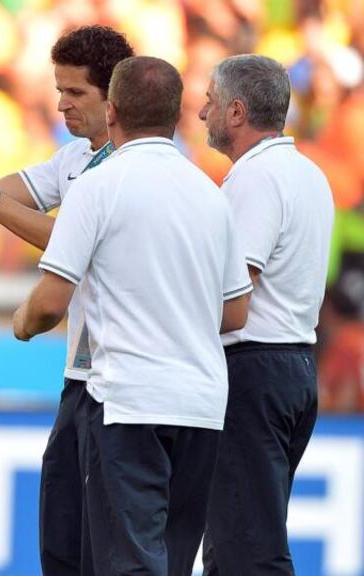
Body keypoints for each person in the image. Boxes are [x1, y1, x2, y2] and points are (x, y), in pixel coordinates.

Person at [0, 25, 133, 574]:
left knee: (113, 549)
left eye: (76, 93)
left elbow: (70, 242)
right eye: (58, 90)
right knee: (62, 537)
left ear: (115, 98)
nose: (61, 105)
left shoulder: (133, 171)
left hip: (125, 385)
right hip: (82, 379)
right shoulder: (76, 160)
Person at [19, 56, 252, 576]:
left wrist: (22, 322)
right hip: (201, 405)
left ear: (113, 112)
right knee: (170, 561)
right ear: (175, 114)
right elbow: (236, 311)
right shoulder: (210, 194)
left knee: (126, 564)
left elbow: (51, 301)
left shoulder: (99, 185)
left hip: (128, 402)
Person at [198, 54, 334, 575]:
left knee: (245, 550)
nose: (201, 112)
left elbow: (237, 288)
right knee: (244, 536)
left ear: (235, 111)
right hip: (293, 365)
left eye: (210, 101)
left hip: (253, 370)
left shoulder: (256, 178)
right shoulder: (307, 174)